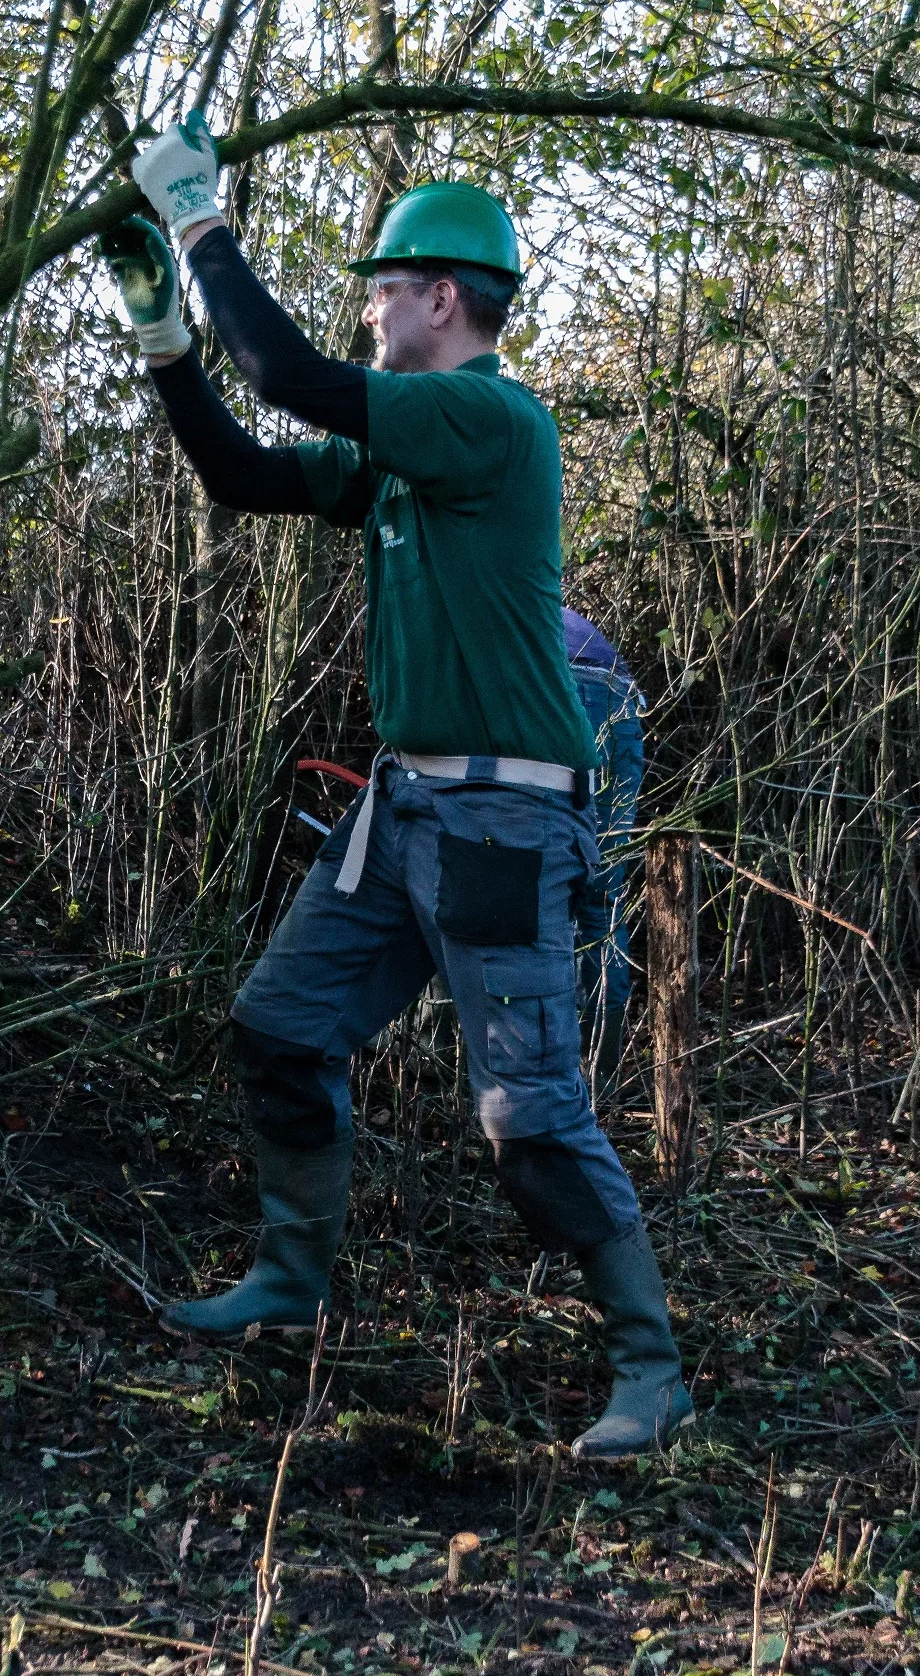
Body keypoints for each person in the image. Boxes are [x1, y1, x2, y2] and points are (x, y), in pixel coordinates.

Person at [100, 115, 691, 1460]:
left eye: (381, 290)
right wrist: (160, 340)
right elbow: (242, 471)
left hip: (501, 819)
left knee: (527, 1118)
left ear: (440, 297)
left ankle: (650, 1369)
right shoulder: (404, 452)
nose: (366, 312)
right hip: (405, 805)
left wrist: (199, 219)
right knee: (283, 1025)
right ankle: (293, 1283)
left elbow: (291, 376)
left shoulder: (487, 419)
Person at [563, 609, 646, 1084]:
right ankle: (603, 1074)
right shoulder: (544, 600)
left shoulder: (474, 606)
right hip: (618, 699)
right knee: (601, 897)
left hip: (561, 689)